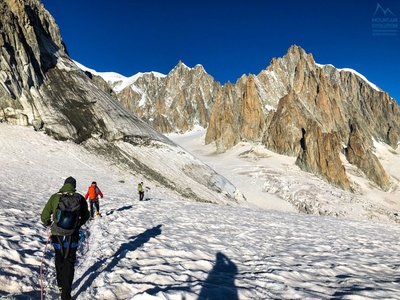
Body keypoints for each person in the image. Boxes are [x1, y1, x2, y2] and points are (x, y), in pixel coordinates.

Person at [40, 176, 90, 300]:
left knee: (59, 257)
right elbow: (86, 215)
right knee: (69, 261)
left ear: (64, 184)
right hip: (72, 235)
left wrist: (49, 223)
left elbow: (44, 216)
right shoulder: (80, 198)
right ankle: (66, 295)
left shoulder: (55, 197)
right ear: (74, 186)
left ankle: (61, 286)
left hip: (57, 234)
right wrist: (77, 224)